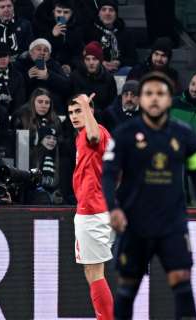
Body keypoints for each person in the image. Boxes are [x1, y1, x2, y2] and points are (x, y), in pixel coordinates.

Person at [102, 72, 196, 319]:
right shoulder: (124, 134)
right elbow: (109, 174)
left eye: (160, 94)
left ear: (169, 100)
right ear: (142, 100)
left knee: (181, 281)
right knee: (126, 287)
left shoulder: (185, 135)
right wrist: (113, 208)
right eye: (149, 94)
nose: (154, 99)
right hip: (135, 223)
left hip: (172, 223)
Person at [68, 93, 114, 320]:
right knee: (91, 270)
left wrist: (86, 105)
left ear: (91, 111)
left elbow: (93, 135)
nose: (74, 116)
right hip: (98, 206)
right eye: (71, 112)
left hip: (92, 209)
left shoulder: (92, 132)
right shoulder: (92, 134)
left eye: (79, 111)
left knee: (95, 272)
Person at [15, 38, 71, 114]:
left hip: (53, 108)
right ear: (31, 52)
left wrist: (49, 76)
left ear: (49, 55)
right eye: (38, 49)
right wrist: (27, 77)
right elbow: (14, 89)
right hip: (28, 108)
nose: (42, 52)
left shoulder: (55, 65)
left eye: (45, 50)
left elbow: (67, 86)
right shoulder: (20, 64)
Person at [84, 0, 137, 74]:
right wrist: (101, 62)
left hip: (119, 69)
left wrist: (119, 62)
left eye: (111, 10)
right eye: (104, 10)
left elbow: (133, 58)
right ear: (99, 14)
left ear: (116, 14)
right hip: (97, 68)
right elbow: (84, 55)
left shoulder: (125, 33)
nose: (107, 13)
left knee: (129, 70)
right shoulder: (89, 31)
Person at [31, 0, 85, 73]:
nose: (62, 15)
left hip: (67, 67)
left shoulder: (76, 28)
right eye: (59, 12)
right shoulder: (44, 22)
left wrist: (70, 66)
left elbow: (79, 53)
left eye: (66, 12)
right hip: (47, 65)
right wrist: (52, 35)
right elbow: (38, 50)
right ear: (54, 12)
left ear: (72, 13)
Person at [70, 41, 118, 115]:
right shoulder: (75, 76)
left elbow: (112, 104)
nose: (91, 62)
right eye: (87, 59)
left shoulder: (108, 78)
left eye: (94, 59)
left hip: (102, 118)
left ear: (100, 61)